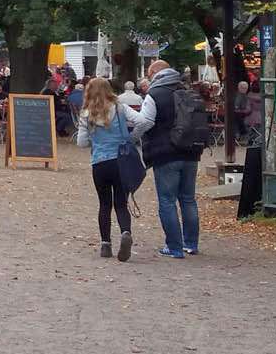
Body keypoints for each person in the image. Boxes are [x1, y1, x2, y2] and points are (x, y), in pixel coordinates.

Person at [76, 77, 152, 261]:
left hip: (100, 162)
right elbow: (144, 122)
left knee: (104, 204)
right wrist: (131, 138)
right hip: (120, 160)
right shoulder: (120, 107)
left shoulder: (87, 113)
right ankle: (125, 232)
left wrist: (95, 140)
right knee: (120, 202)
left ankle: (105, 244)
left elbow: (81, 142)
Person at [140, 59, 203, 259]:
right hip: (191, 152)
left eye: (150, 75)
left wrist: (132, 138)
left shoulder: (155, 94)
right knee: (188, 199)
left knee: (167, 201)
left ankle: (174, 247)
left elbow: (146, 122)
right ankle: (191, 243)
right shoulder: (188, 90)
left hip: (165, 153)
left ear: (156, 74)